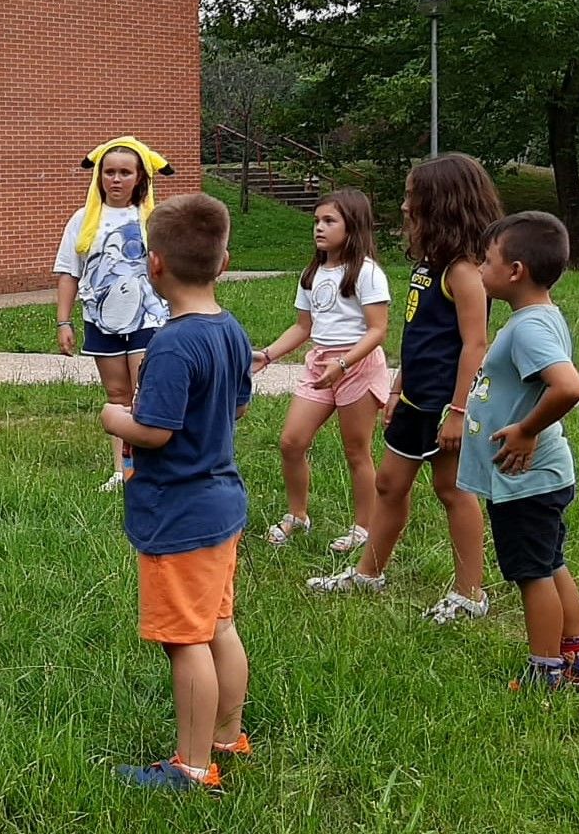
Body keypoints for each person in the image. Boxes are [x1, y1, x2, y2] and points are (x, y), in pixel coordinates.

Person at [101, 193, 254, 791]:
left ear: (155, 265)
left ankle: (191, 768)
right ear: (223, 262)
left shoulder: (171, 343)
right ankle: (226, 738)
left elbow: (156, 432)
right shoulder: (231, 330)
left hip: (180, 515)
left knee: (184, 641)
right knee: (218, 625)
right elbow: (238, 405)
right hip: (221, 503)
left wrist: (116, 418)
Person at [308, 155, 503, 620]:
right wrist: (397, 386)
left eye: (412, 197)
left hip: (444, 405)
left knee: (453, 491)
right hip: (415, 397)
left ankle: (469, 594)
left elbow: (475, 344)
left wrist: (458, 411)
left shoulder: (462, 270)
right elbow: (421, 337)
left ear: (440, 204)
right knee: (391, 484)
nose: (403, 206)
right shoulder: (429, 265)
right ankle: (367, 574)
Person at [458, 212, 579, 692]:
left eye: (488, 260)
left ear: (515, 271)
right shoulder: (540, 316)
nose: (479, 267)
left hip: (526, 480)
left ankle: (547, 670)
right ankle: (577, 660)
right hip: (541, 479)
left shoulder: (527, 329)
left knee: (532, 574)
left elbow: (569, 387)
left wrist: (526, 430)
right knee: (551, 564)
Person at [251, 190, 391, 552]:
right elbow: (303, 327)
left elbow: (378, 330)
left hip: (356, 365)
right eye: (316, 221)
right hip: (320, 364)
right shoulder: (312, 273)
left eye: (329, 221)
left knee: (356, 451)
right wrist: (267, 355)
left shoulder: (367, 272)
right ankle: (297, 516)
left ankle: (364, 528)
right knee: (291, 442)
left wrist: (343, 363)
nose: (319, 228)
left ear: (353, 226)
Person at [55, 137, 173, 491]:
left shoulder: (154, 218)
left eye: (125, 172)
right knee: (118, 396)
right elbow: (68, 272)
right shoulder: (82, 220)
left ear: (140, 178)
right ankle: (123, 470)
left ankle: (154, 469)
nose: (116, 179)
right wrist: (64, 320)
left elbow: (173, 272)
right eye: (109, 172)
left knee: (145, 395)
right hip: (101, 321)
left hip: (148, 320)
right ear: (99, 177)